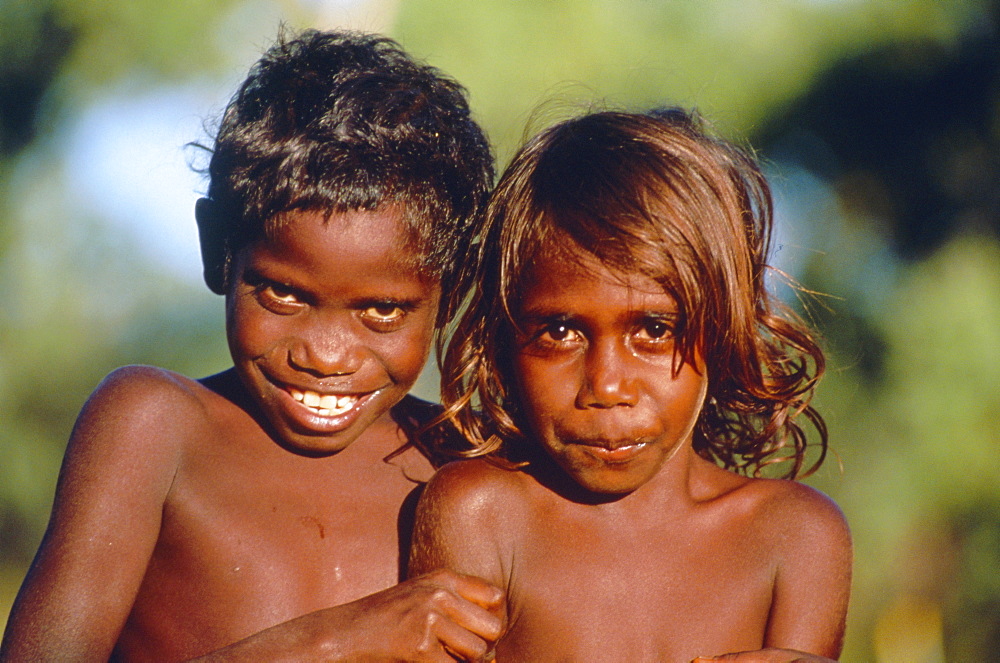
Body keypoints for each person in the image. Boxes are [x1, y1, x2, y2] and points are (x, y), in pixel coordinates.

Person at [0, 29, 503, 662]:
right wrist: (329, 644)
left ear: (451, 294)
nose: (324, 355)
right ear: (219, 251)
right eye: (284, 295)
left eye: (382, 310)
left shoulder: (468, 461)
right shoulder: (154, 428)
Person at [409, 109, 853, 662]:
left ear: (721, 326)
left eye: (654, 330)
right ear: (501, 340)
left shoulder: (795, 537)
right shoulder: (482, 514)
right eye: (560, 331)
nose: (606, 386)